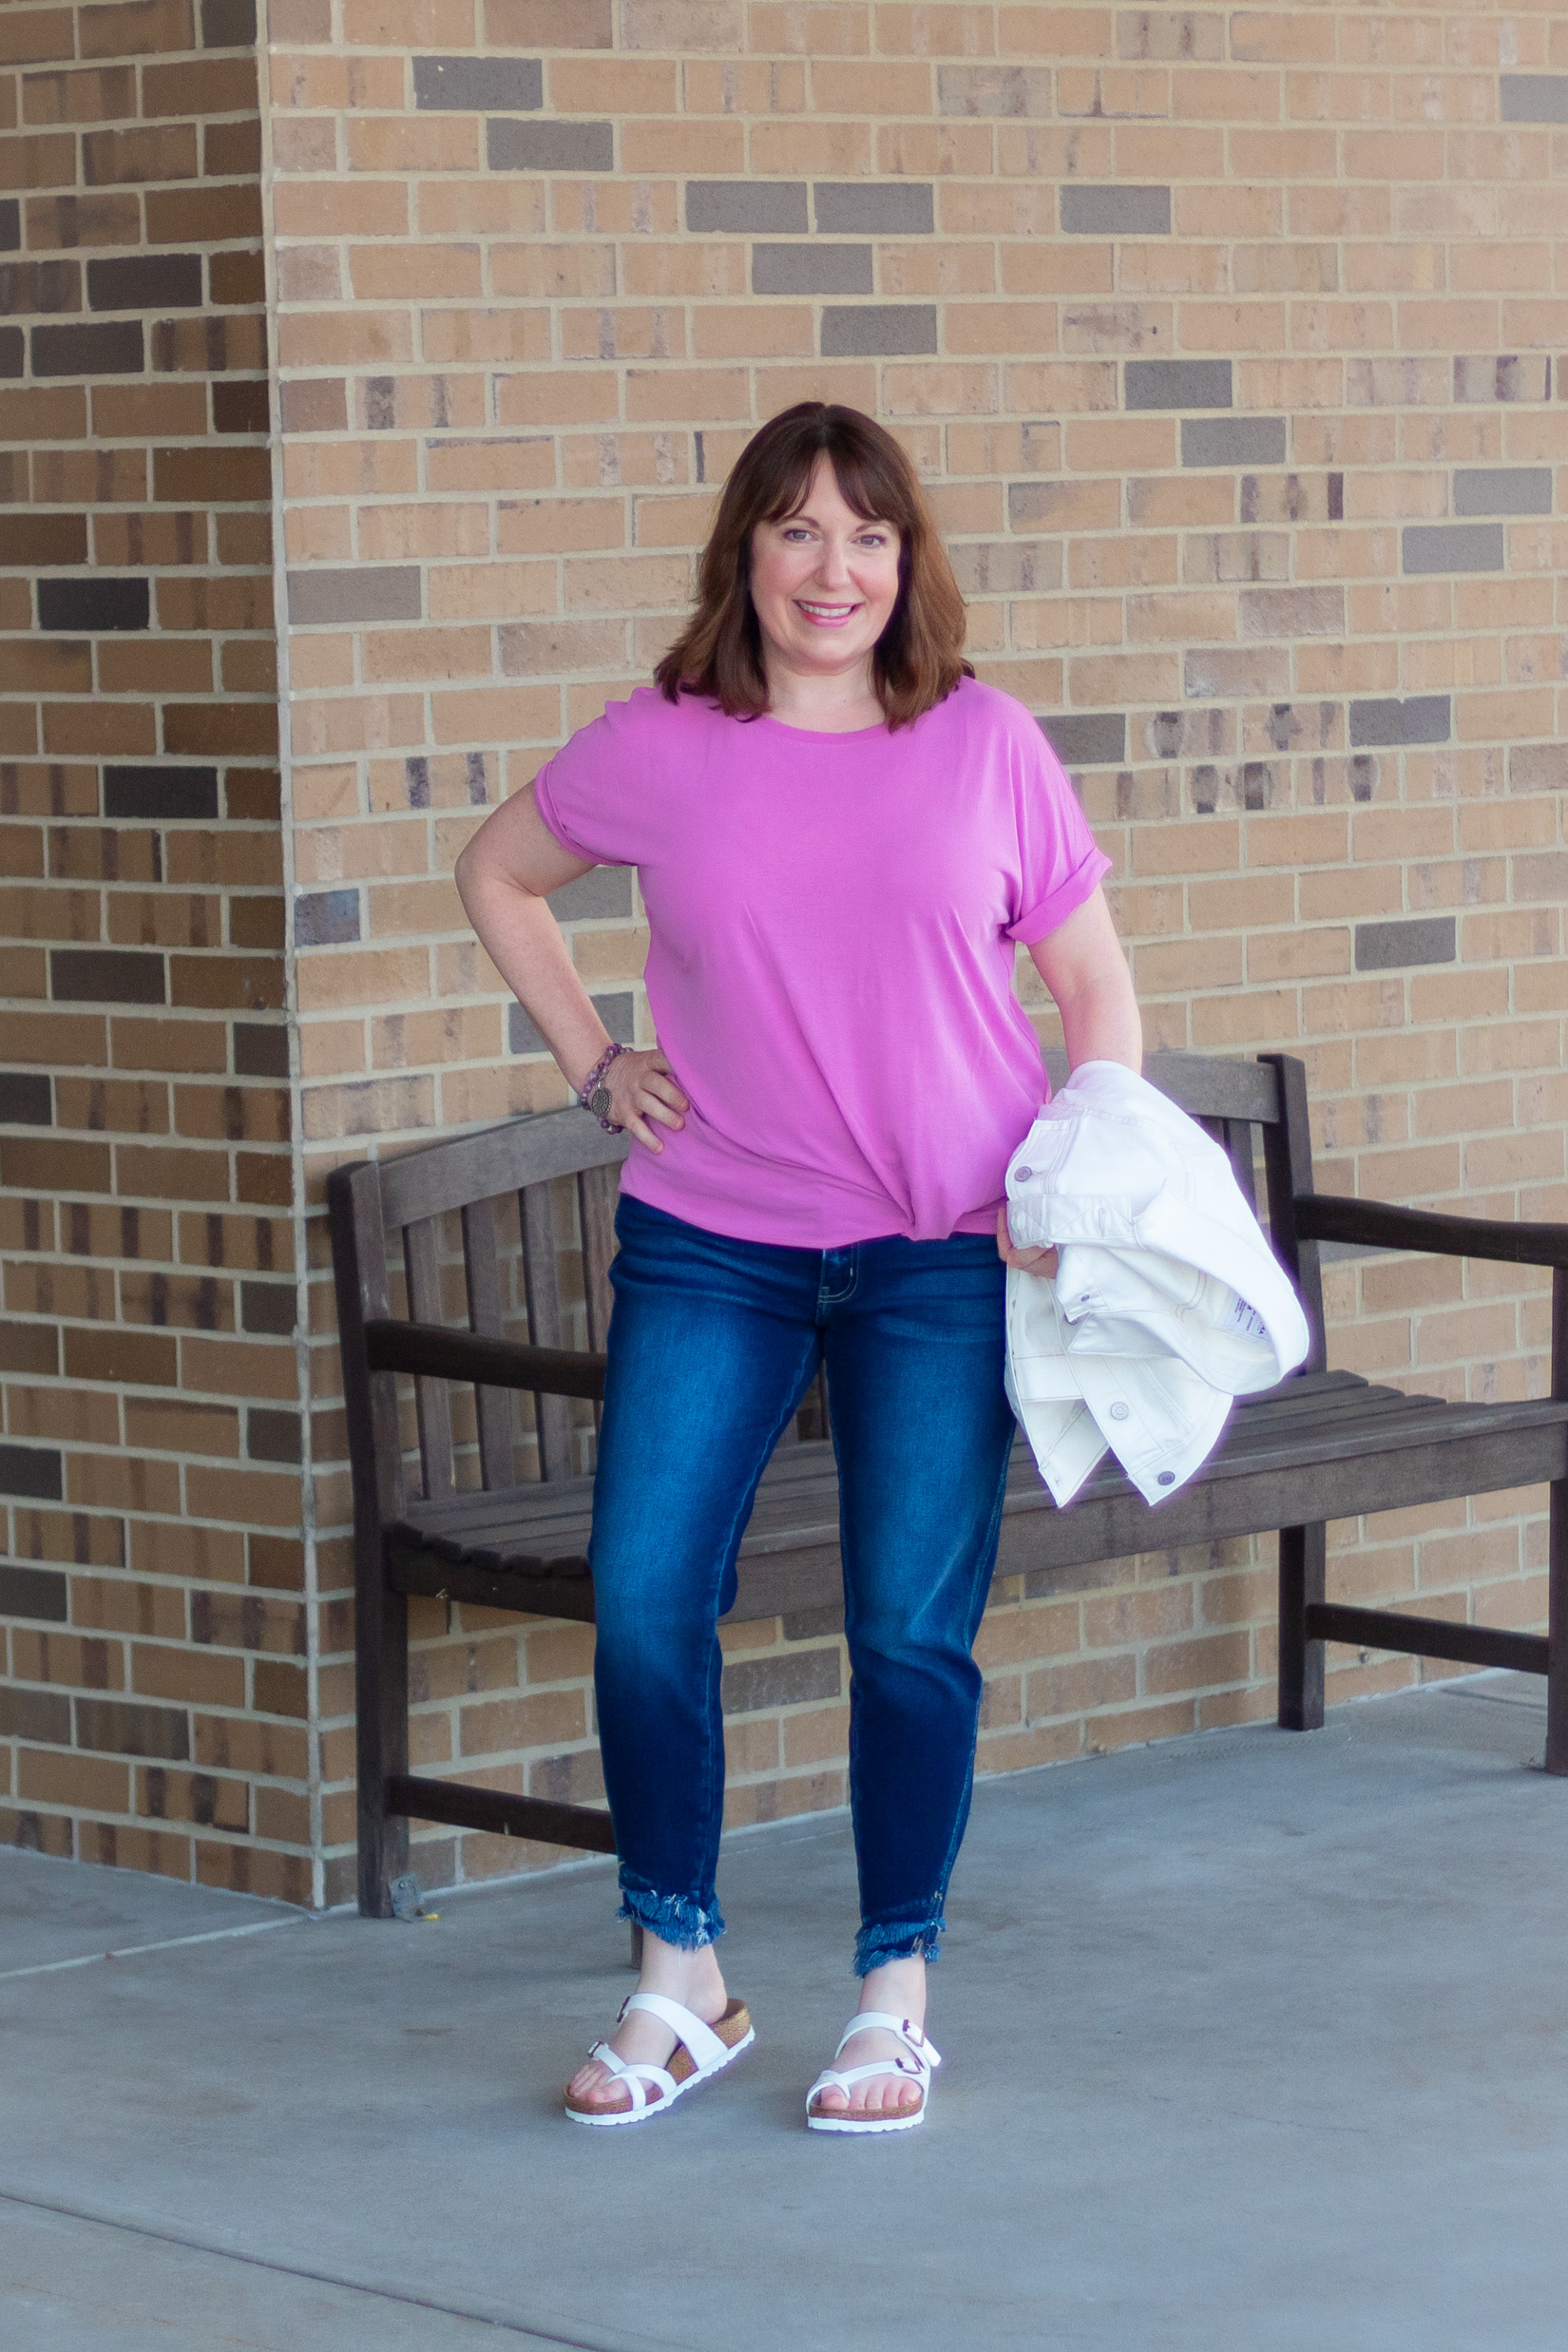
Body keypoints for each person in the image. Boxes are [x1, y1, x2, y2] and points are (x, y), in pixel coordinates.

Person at [454, 401, 1142, 2134]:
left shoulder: (983, 742)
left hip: (936, 1252)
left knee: (907, 1631)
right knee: (639, 1594)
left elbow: (1092, 991)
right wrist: (591, 1060)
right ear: (743, 555)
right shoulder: (665, 742)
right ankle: (677, 1978)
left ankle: (891, 1995)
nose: (831, 568)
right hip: (715, 1241)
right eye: (795, 531)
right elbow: (498, 872)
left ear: (904, 565)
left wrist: (1085, 1155)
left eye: (865, 534)